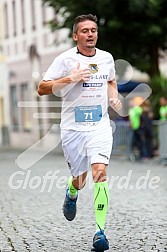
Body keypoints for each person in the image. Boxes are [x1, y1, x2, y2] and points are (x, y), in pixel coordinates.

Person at [38, 14, 122, 252]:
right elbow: (42, 88)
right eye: (84, 31)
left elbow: (111, 81)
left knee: (100, 172)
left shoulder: (106, 58)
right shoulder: (64, 59)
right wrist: (69, 78)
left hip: (99, 126)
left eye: (93, 30)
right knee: (81, 179)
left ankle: (100, 232)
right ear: (76, 36)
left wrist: (113, 96)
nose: (90, 34)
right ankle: (72, 192)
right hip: (73, 128)